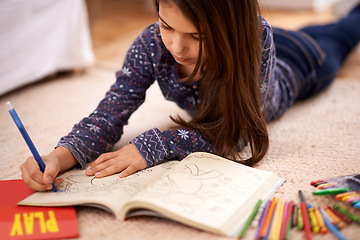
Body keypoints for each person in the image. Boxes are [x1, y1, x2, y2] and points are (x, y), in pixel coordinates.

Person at [20, 0, 360, 191]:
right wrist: (58, 157)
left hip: (303, 62)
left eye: (196, 36)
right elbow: (109, 113)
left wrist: (157, 144)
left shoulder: (254, 40)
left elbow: (238, 132)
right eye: (167, 27)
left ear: (230, 31)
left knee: (345, 33)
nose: (177, 47)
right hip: (268, 36)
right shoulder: (152, 43)